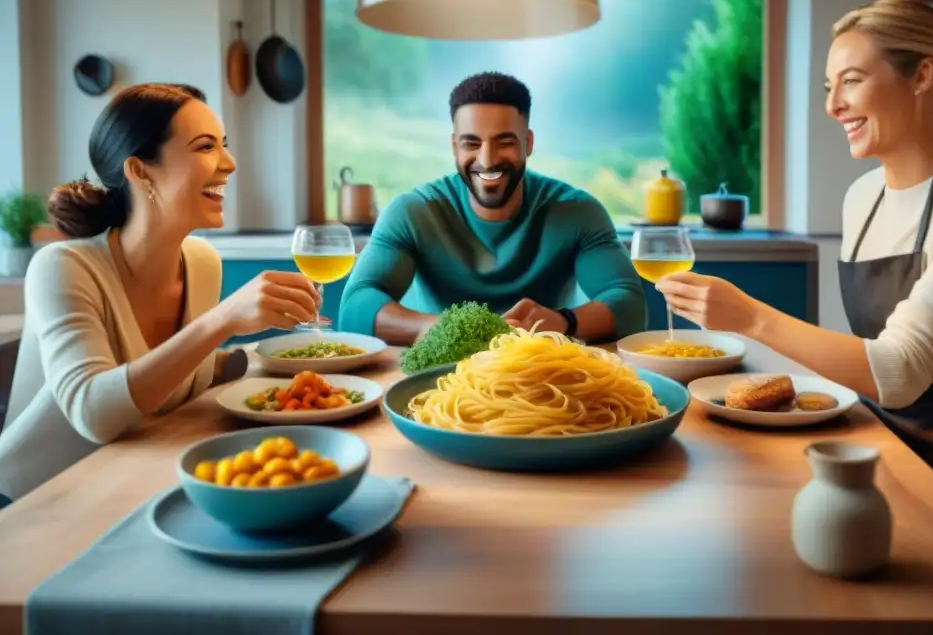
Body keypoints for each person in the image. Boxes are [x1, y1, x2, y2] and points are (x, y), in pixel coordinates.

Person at [656, 0, 933, 552]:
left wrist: (748, 318)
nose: (833, 106)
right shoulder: (862, 197)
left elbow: (897, 372)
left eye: (850, 81)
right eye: (829, 87)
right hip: (875, 455)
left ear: (922, 75)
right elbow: (864, 357)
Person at [0, 83, 319, 506]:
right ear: (140, 170)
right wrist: (223, 319)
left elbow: (183, 373)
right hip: (37, 501)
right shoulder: (63, 268)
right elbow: (94, 412)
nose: (229, 163)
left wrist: (279, 362)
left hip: (130, 480)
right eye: (206, 147)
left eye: (224, 145)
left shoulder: (203, 262)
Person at [338, 71, 646, 346]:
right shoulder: (413, 212)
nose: (487, 160)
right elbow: (354, 307)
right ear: (454, 146)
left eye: (505, 142)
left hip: (543, 368)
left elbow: (630, 303)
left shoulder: (577, 211)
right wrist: (440, 328)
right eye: (471, 143)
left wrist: (565, 322)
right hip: (441, 374)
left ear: (528, 142)